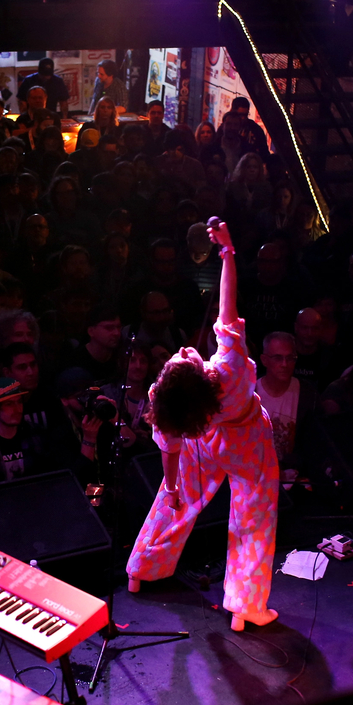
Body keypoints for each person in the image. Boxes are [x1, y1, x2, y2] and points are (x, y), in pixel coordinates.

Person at [126, 220, 281, 632]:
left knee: (171, 502)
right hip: (246, 441)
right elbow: (229, 308)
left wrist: (175, 489)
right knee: (253, 516)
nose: (181, 350)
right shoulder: (227, 370)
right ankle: (245, 607)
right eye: (183, 357)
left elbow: (170, 447)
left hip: (204, 443)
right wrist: (228, 254)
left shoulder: (171, 402)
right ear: (199, 373)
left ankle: (141, 570)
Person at [256, 332, 314, 484]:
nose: (284, 364)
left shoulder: (306, 393)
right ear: (264, 360)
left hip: (294, 479)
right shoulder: (252, 393)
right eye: (278, 358)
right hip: (258, 477)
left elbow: (313, 443)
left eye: (290, 358)